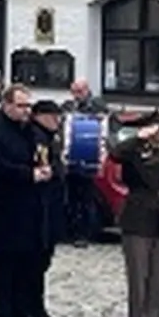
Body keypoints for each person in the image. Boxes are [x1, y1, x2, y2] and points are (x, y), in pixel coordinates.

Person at [0, 85, 48, 317]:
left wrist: (43, 169)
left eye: (28, 106)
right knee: (3, 268)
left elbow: (39, 156)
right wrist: (28, 174)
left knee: (26, 267)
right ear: (6, 106)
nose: (26, 111)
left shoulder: (31, 132)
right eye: (20, 106)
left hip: (30, 208)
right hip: (6, 210)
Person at [110, 110, 159, 317]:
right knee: (139, 275)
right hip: (139, 216)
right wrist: (139, 137)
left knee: (157, 276)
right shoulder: (134, 150)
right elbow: (115, 154)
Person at [26, 99, 68, 317]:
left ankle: (37, 307)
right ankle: (29, 308)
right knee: (33, 263)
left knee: (43, 261)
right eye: (52, 116)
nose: (56, 120)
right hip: (37, 206)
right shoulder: (36, 136)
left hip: (51, 205)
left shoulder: (52, 137)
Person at [61, 79, 109, 245]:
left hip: (89, 159)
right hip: (72, 160)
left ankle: (84, 233)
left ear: (87, 90)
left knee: (86, 199)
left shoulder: (97, 106)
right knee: (71, 199)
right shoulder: (68, 106)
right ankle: (71, 231)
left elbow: (102, 127)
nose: (76, 96)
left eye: (79, 91)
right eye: (74, 92)